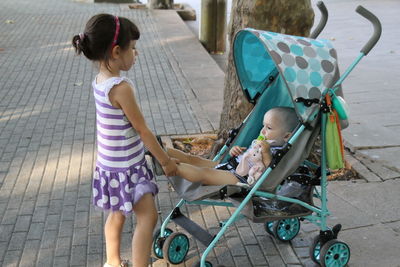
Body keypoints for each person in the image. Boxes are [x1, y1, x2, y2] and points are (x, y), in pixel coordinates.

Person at [72, 14, 179, 267]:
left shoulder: (100, 80)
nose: (136, 53)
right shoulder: (121, 88)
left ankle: (112, 262)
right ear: (117, 51)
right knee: (148, 217)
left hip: (109, 166)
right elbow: (142, 131)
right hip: (127, 168)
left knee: (116, 215)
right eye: (132, 48)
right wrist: (165, 162)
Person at [164, 107, 299, 186]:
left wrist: (266, 152)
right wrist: (237, 151)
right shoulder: (262, 142)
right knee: (194, 160)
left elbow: (271, 171)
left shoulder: (278, 151)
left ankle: (169, 165)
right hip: (231, 166)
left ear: (286, 136)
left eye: (269, 128)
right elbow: (248, 156)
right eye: (263, 126)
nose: (263, 131)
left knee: (204, 174)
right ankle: (160, 151)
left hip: (240, 178)